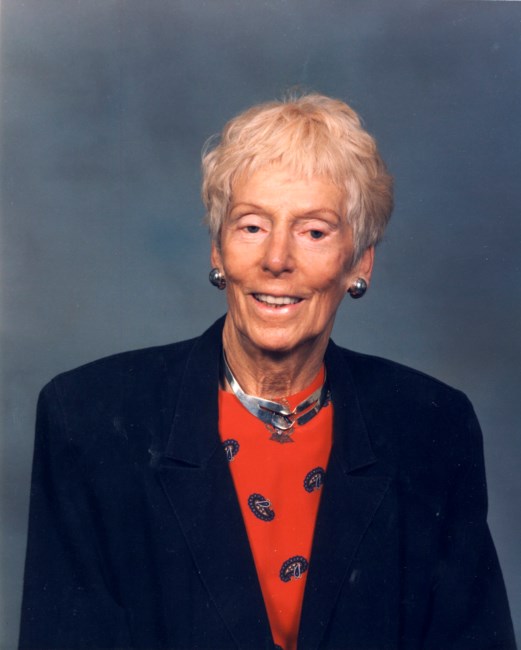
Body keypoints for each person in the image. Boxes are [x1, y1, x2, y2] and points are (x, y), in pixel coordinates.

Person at [19, 93, 516, 650]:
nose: (277, 259)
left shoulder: (432, 426)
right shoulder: (87, 419)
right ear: (218, 250)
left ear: (360, 261)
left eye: (314, 232)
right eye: (252, 226)